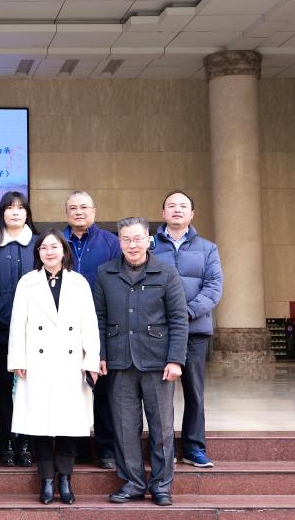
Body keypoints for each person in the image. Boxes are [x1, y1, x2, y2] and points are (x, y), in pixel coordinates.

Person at [94, 217, 188, 507]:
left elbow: (178, 318)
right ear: (119, 242)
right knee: (125, 427)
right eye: (126, 239)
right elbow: (99, 318)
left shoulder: (166, 272)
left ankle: (161, 486)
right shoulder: (105, 273)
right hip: (119, 361)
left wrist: (176, 359)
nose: (132, 245)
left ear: (149, 240)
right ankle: (132, 483)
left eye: (137, 239)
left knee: (161, 428)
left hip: (158, 362)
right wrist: (100, 355)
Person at [8, 229, 100, 505]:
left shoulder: (79, 282)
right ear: (38, 253)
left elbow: (90, 324)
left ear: (64, 250)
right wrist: (18, 359)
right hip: (37, 363)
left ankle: (65, 479)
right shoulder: (27, 282)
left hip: (71, 363)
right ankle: (47, 479)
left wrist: (91, 359)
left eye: (54, 247)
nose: (49, 252)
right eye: (44, 248)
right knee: (40, 423)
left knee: (68, 424)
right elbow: (18, 323)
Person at [153, 190, 223, 468]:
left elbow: (214, 287)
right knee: (160, 392)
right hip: (159, 331)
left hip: (194, 331)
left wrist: (187, 312)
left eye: (183, 206)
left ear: (192, 214)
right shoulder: (150, 247)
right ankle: (164, 447)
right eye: (171, 205)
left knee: (194, 390)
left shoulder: (208, 248)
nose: (177, 209)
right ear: (163, 213)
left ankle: (193, 447)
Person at [0, 191, 38, 468]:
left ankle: (27, 442)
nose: (15, 212)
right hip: (0, 331)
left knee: (30, 389)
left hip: (35, 333)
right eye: (9, 208)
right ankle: (6, 443)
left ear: (27, 213)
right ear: (1, 213)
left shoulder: (38, 245)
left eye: (20, 208)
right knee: (2, 390)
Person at [62, 190, 121, 469]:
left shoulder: (111, 243)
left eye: (84, 207)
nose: (79, 212)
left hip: (102, 322)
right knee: (72, 390)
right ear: (66, 213)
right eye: (73, 208)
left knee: (103, 389)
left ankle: (106, 449)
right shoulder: (56, 242)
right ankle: (78, 447)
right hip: (64, 327)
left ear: (94, 211)